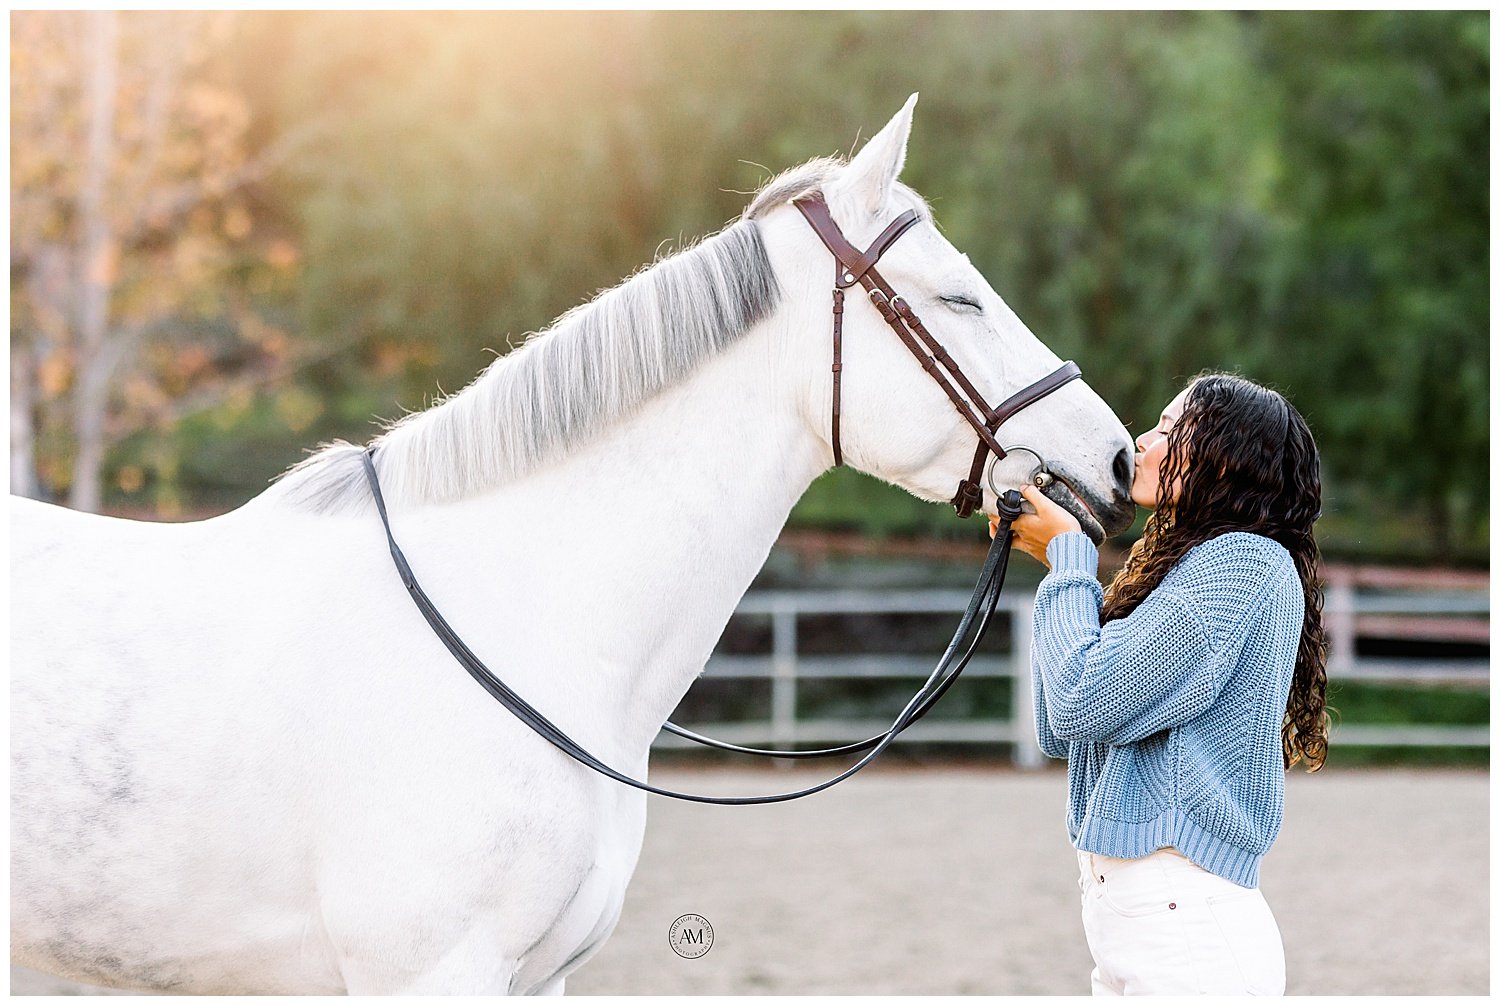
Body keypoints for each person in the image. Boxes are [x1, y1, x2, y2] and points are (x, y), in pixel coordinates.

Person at [991, 372, 1327, 996]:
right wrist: (1059, 564)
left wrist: (1069, 561)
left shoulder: (1245, 568)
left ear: (1224, 459)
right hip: (1143, 919)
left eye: (1169, 430)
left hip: (1185, 922)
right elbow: (1057, 723)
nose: (1142, 441)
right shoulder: (1186, 570)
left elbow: (1079, 703)